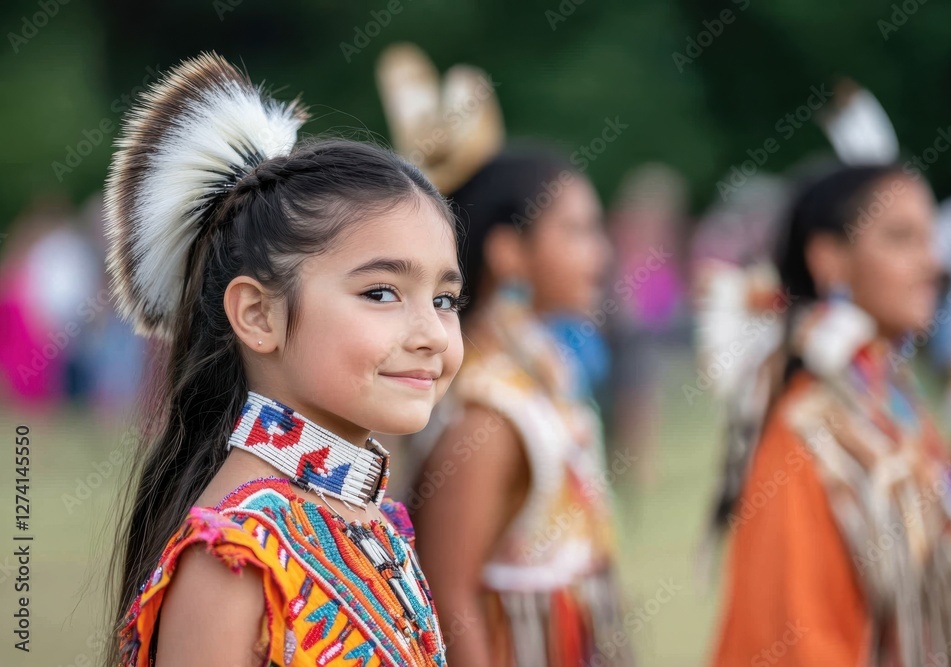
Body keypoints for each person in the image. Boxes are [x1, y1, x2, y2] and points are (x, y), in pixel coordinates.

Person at [102, 52, 463, 667]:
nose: (431, 332)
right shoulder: (233, 553)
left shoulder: (370, 517)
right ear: (259, 315)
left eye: (446, 298)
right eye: (381, 293)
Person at [709, 163, 951, 666]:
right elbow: (797, 641)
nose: (932, 262)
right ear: (828, 259)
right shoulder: (808, 433)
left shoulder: (892, 406)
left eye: (930, 238)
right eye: (901, 238)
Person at [407, 145, 634, 667]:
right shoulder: (491, 409)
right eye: (576, 231)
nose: (599, 254)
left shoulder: (539, 378)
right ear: (508, 250)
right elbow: (447, 593)